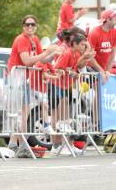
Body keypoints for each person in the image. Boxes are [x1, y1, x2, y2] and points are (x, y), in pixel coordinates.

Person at [6, 15, 62, 157]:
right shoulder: (21, 39)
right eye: (27, 25)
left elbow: (41, 60)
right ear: (23, 26)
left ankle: (13, 144)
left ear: (36, 26)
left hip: (23, 79)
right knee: (21, 114)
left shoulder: (35, 39)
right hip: (16, 78)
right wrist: (47, 52)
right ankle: (22, 145)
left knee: (22, 113)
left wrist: (53, 54)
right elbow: (26, 61)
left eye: (32, 25)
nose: (30, 27)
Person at [50, 34, 94, 155]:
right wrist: (70, 72)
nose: (83, 47)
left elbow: (76, 67)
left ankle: (66, 145)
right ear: (74, 44)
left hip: (65, 87)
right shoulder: (68, 53)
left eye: (84, 45)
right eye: (81, 45)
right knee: (58, 116)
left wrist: (86, 55)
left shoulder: (76, 54)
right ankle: (56, 145)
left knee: (65, 117)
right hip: (56, 85)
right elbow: (57, 68)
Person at [87, 9, 116, 84]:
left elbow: (112, 54)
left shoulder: (114, 32)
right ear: (108, 19)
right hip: (91, 68)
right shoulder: (95, 33)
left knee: (101, 93)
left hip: (103, 68)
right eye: (114, 18)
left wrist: (107, 71)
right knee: (95, 93)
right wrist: (101, 71)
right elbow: (90, 57)